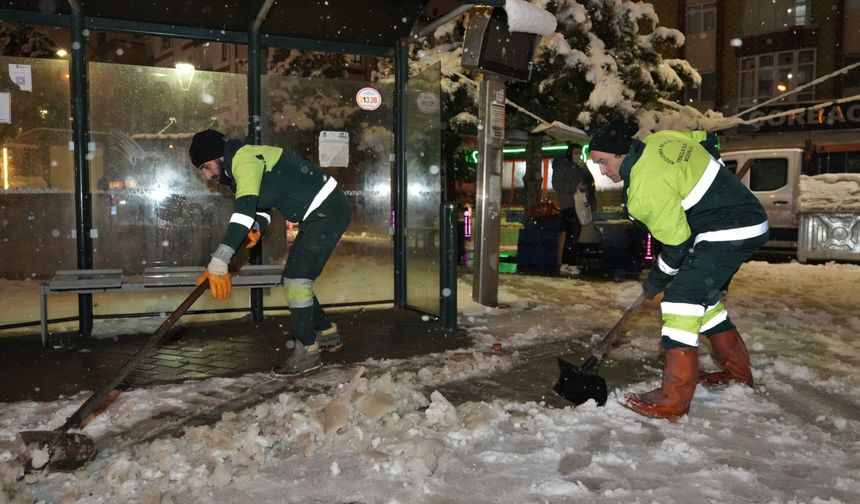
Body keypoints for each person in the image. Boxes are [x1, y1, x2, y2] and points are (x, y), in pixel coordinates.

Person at [587, 120, 769, 421]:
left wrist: (655, 280)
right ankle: (737, 375)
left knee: (680, 299)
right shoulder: (662, 139)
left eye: (604, 163)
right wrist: (716, 175)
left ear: (621, 154)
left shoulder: (645, 189)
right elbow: (706, 139)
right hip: (745, 217)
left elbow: (676, 245)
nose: (603, 172)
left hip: (724, 229)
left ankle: (674, 398)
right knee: (704, 300)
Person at [188, 129, 351, 376]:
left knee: (297, 280)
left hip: (328, 210)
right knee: (294, 278)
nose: (208, 175)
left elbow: (243, 212)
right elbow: (260, 209)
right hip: (318, 214)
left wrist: (220, 260)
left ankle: (308, 351)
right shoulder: (235, 171)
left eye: (206, 166)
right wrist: (256, 226)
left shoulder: (243, 159)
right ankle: (326, 332)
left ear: (217, 156)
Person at [551, 143, 596, 275]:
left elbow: (590, 181)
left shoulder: (578, 167)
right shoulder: (562, 166)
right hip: (569, 205)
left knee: (573, 235)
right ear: (570, 153)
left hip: (579, 204)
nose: (577, 155)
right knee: (572, 234)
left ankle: (567, 263)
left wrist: (584, 169)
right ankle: (569, 263)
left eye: (579, 152)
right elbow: (557, 185)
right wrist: (574, 187)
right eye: (575, 152)